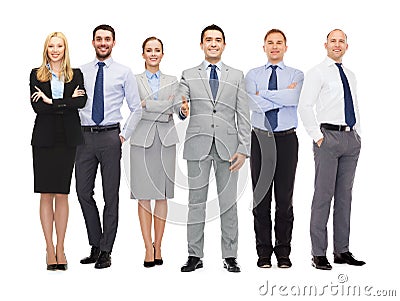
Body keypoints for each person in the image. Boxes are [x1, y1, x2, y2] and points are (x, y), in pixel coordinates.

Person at [178, 24, 251, 273]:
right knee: (195, 203)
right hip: (198, 146)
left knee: (228, 203)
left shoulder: (237, 75)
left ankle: (230, 255)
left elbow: (244, 114)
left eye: (217, 40)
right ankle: (194, 255)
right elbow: (181, 97)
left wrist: (244, 148)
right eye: (208, 40)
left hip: (229, 148)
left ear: (224, 45)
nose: (213, 43)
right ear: (201, 44)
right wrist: (182, 107)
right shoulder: (188, 74)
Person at [298, 29, 365, 270]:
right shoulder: (316, 73)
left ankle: (342, 250)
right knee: (323, 196)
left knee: (345, 197)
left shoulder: (350, 74)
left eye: (341, 41)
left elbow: (354, 104)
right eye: (333, 41)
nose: (337, 45)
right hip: (327, 138)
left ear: (347, 46)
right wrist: (318, 137)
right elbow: (305, 106)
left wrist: (358, 134)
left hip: (350, 139)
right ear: (325, 44)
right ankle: (318, 253)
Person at [76, 24, 142, 269]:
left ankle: (106, 249)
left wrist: (123, 136)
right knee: (83, 192)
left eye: (107, 39)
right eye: (99, 39)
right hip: (83, 138)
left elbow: (136, 108)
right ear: (93, 42)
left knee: (110, 195)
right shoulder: (80, 71)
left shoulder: (124, 72)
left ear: (113, 43)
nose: (103, 43)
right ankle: (95, 243)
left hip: (110, 138)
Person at [245, 29, 304, 269]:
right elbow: (252, 102)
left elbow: (294, 99)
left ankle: (283, 252)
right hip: (261, 139)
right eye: (270, 43)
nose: (275, 46)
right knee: (261, 198)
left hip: (287, 140)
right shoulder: (252, 74)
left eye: (279, 43)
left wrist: (265, 94)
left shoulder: (297, 75)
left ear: (286, 47)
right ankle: (262, 252)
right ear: (264, 47)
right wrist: (281, 94)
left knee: (284, 198)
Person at [30, 32, 87, 271]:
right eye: (51, 46)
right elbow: (36, 107)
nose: (55, 50)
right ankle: (49, 248)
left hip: (68, 139)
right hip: (43, 139)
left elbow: (81, 103)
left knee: (62, 194)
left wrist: (52, 101)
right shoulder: (36, 74)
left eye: (59, 46)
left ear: (65, 49)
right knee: (46, 194)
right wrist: (65, 101)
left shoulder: (76, 75)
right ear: (46, 49)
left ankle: (61, 248)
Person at [130, 36, 186, 267]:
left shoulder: (174, 80)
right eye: (149, 50)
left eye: (157, 50)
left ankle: (159, 246)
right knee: (143, 196)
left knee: (162, 195)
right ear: (142, 54)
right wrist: (164, 106)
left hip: (166, 141)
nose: (153, 54)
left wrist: (153, 106)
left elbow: (179, 110)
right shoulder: (132, 80)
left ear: (163, 54)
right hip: (141, 140)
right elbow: (136, 108)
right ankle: (147, 247)